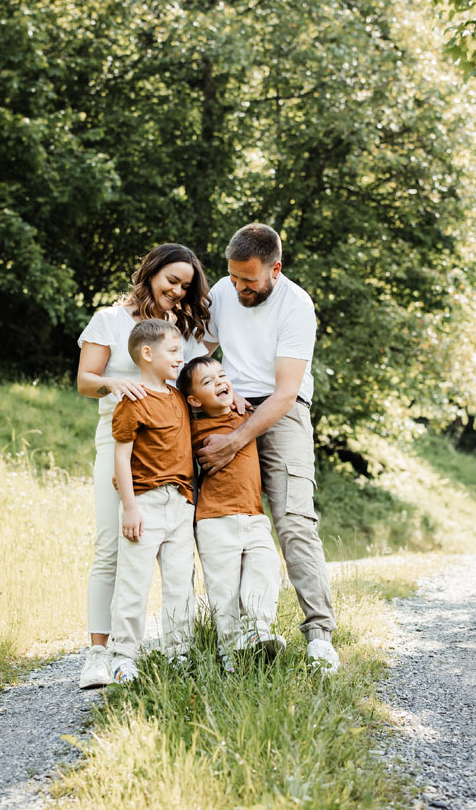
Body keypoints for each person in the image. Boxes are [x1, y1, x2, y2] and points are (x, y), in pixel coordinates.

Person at [199, 223, 340, 673]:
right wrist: (218, 389)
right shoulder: (223, 290)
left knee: (293, 520)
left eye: (249, 280)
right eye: (234, 277)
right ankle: (238, 634)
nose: (239, 287)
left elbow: (284, 393)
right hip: (228, 407)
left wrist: (236, 441)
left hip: (282, 413)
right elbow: (200, 351)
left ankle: (319, 636)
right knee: (224, 523)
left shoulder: (296, 305)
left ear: (274, 269)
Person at [76, 244, 209, 689]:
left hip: (169, 449)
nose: (177, 290)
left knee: (172, 557)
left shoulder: (180, 330)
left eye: (185, 286)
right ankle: (99, 653)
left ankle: (173, 650)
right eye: (171, 280)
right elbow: (85, 380)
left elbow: (196, 377)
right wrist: (115, 381)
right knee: (111, 544)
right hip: (118, 438)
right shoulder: (109, 320)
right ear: (150, 272)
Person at [178, 355, 285, 671]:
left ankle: (256, 631)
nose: (219, 383)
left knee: (266, 568)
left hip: (253, 514)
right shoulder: (195, 427)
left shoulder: (247, 417)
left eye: (222, 375)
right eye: (207, 382)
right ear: (194, 399)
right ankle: (230, 653)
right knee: (223, 591)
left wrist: (238, 400)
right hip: (214, 520)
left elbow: (266, 408)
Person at [109, 319, 196, 683]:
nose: (180, 359)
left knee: (181, 584)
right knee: (134, 582)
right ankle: (123, 655)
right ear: (147, 353)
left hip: (181, 503)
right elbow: (121, 458)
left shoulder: (178, 396)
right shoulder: (134, 401)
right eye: (173, 352)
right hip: (144, 504)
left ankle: (179, 653)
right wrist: (130, 507)